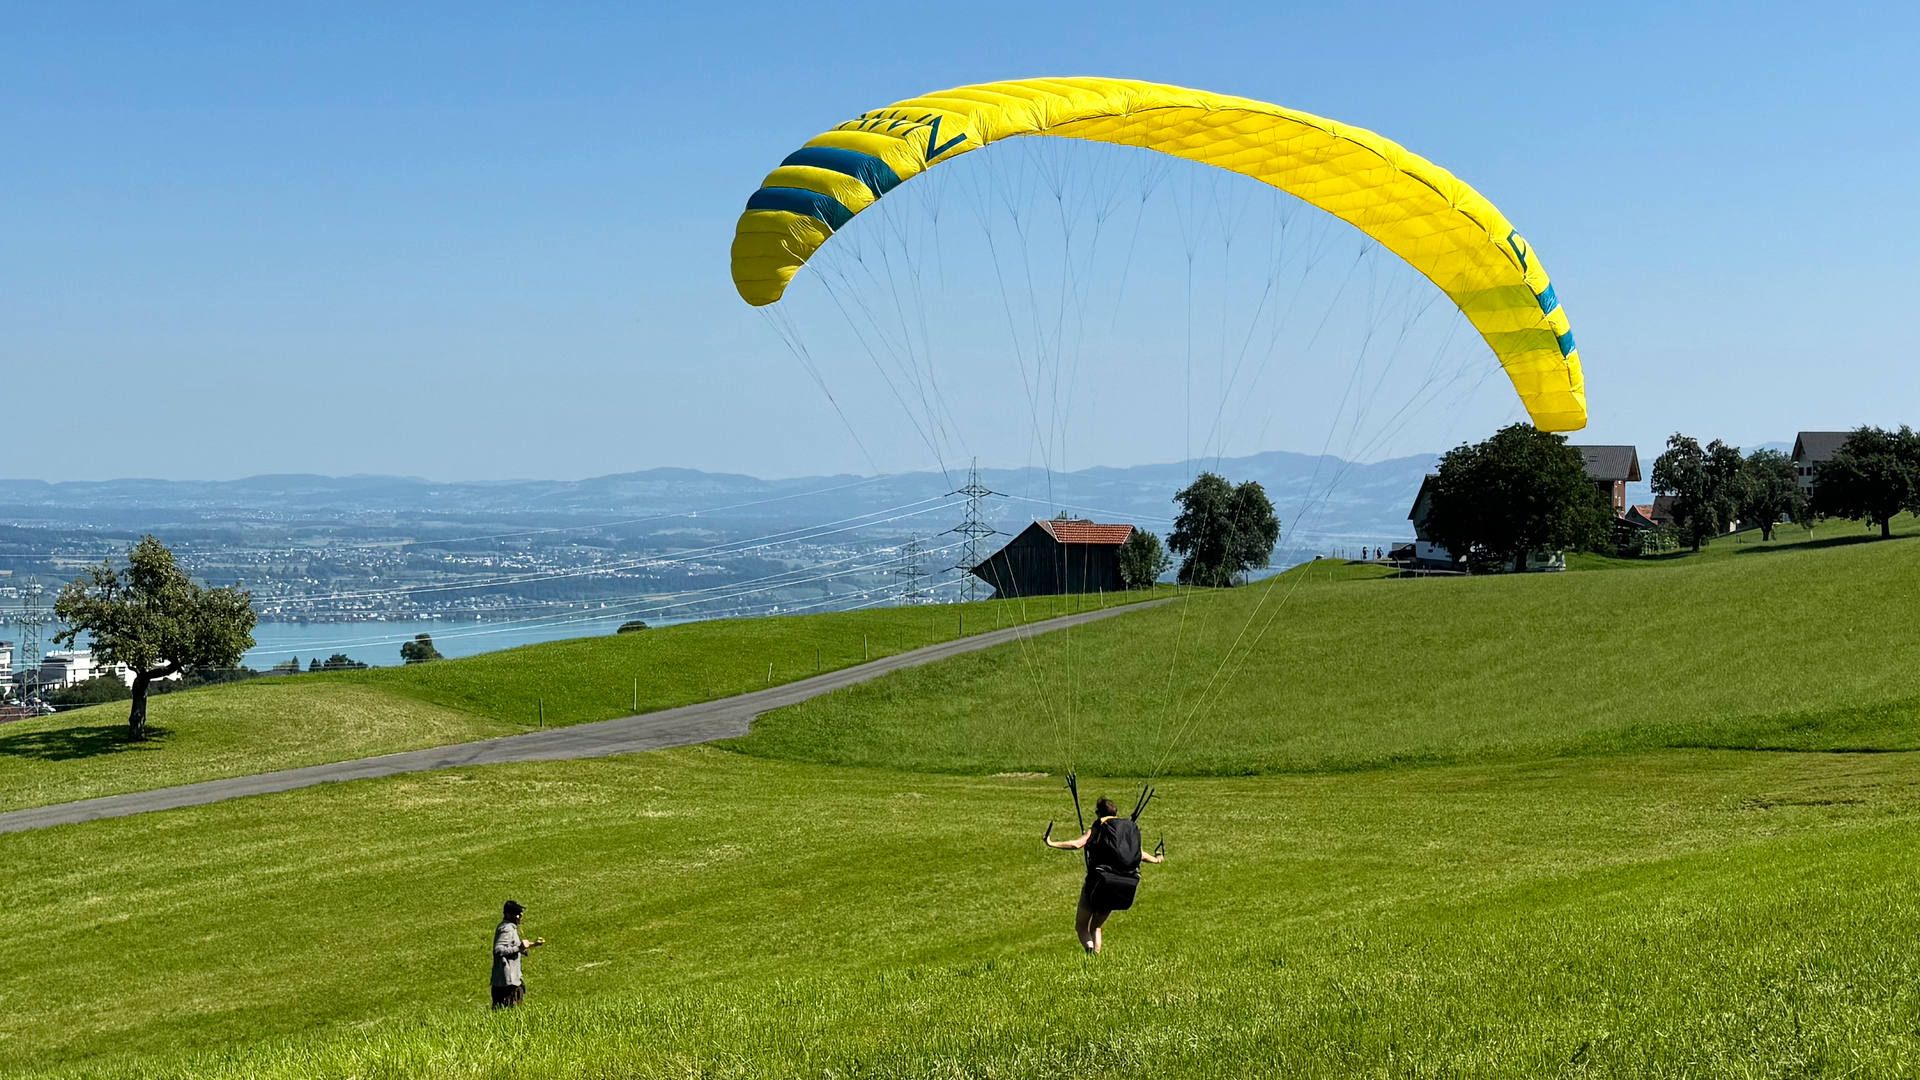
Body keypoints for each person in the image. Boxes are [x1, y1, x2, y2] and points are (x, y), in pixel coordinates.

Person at [1044, 797, 1165, 954]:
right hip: (1122, 885)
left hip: (1098, 883)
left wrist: (1051, 843)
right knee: (1096, 927)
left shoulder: (1099, 825)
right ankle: (1097, 956)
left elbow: (1077, 844)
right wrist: (1157, 859)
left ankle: (1089, 949)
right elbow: (1139, 854)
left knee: (1081, 926)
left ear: (1098, 813)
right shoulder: (1128, 828)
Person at [491, 899, 546, 1009]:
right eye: (517, 914)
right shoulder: (506, 929)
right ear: (508, 914)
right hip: (507, 984)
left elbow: (516, 946)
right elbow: (498, 950)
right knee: (509, 1012)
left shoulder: (509, 927)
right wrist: (519, 948)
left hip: (510, 981)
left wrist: (533, 944)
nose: (520, 916)